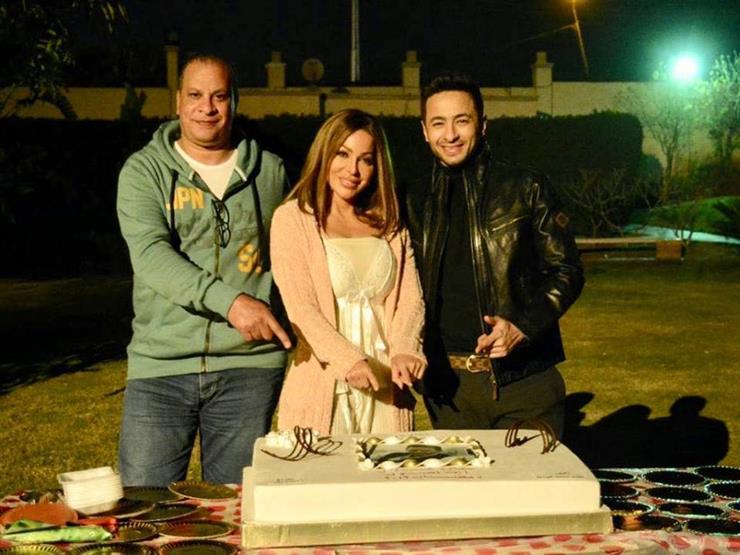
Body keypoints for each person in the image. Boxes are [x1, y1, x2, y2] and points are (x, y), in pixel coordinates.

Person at [116, 54, 291, 486]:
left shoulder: (270, 171)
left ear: (234, 101)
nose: (206, 108)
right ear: (178, 100)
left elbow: (295, 252)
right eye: (195, 95)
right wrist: (232, 303)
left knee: (237, 506)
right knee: (146, 506)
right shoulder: (144, 171)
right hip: (161, 365)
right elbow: (152, 255)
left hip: (248, 367)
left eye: (219, 96)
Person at [405, 73, 584, 438]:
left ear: (482, 125)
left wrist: (523, 327)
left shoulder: (527, 188)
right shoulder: (412, 199)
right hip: (449, 391)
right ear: (424, 131)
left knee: (532, 478)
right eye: (438, 123)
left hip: (525, 382)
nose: (450, 134)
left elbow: (566, 270)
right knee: (461, 479)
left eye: (462, 121)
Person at [270, 109, 426, 435]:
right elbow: (301, 309)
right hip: (326, 381)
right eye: (342, 154)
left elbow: (410, 298)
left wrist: (405, 349)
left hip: (386, 386)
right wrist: (348, 360)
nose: (353, 170)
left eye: (366, 160)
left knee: (389, 466)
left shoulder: (389, 222)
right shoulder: (293, 219)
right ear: (324, 154)